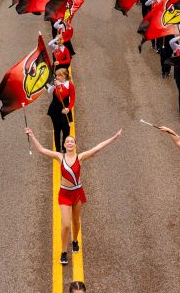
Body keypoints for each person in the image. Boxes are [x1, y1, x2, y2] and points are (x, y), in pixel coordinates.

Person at [24, 126, 122, 265]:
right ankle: (64, 252)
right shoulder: (59, 157)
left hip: (77, 192)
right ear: (64, 145)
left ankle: (75, 240)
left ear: (75, 145)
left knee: (76, 222)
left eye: (72, 142)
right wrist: (31, 134)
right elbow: (41, 150)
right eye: (67, 142)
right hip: (64, 193)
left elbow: (98, 147)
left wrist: (114, 138)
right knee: (65, 224)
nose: (70, 143)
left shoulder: (80, 157)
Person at [45, 67, 76, 154]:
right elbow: (49, 91)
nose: (57, 77)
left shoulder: (70, 85)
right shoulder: (54, 83)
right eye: (57, 75)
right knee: (57, 130)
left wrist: (68, 108)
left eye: (59, 75)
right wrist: (54, 86)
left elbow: (73, 99)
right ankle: (58, 150)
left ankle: (65, 148)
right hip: (55, 110)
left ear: (65, 77)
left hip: (65, 111)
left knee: (66, 130)